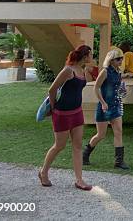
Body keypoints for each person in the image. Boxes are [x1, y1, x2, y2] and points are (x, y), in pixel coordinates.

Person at [39, 45, 93, 190]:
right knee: (59, 145)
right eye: (90, 55)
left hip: (77, 112)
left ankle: (79, 180)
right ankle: (43, 172)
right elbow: (52, 89)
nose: (92, 57)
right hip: (62, 114)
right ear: (85, 56)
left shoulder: (82, 70)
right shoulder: (68, 70)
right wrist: (52, 107)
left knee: (77, 145)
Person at [82, 48, 129, 170]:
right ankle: (85, 155)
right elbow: (96, 88)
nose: (121, 61)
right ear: (111, 60)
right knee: (100, 134)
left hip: (115, 105)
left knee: (118, 132)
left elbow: (118, 89)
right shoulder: (105, 72)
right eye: (118, 59)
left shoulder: (118, 72)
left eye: (121, 58)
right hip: (104, 106)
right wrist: (102, 103)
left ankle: (119, 161)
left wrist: (123, 90)